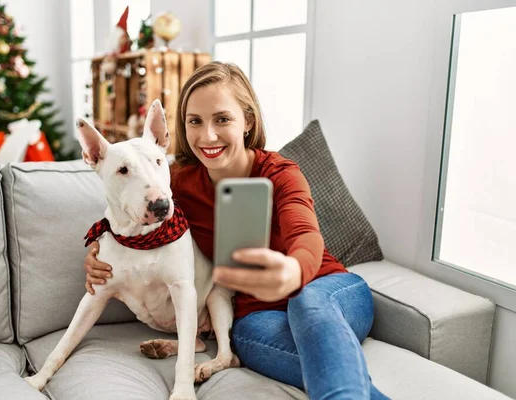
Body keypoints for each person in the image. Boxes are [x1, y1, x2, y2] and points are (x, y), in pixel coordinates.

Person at [83, 61, 389, 400]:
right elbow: (129, 213)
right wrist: (99, 252)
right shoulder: (175, 184)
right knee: (308, 361)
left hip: (328, 289)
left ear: (248, 121)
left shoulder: (280, 173)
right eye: (195, 121)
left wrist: (294, 271)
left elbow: (306, 234)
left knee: (306, 302)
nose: (207, 135)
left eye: (222, 119)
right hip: (254, 317)